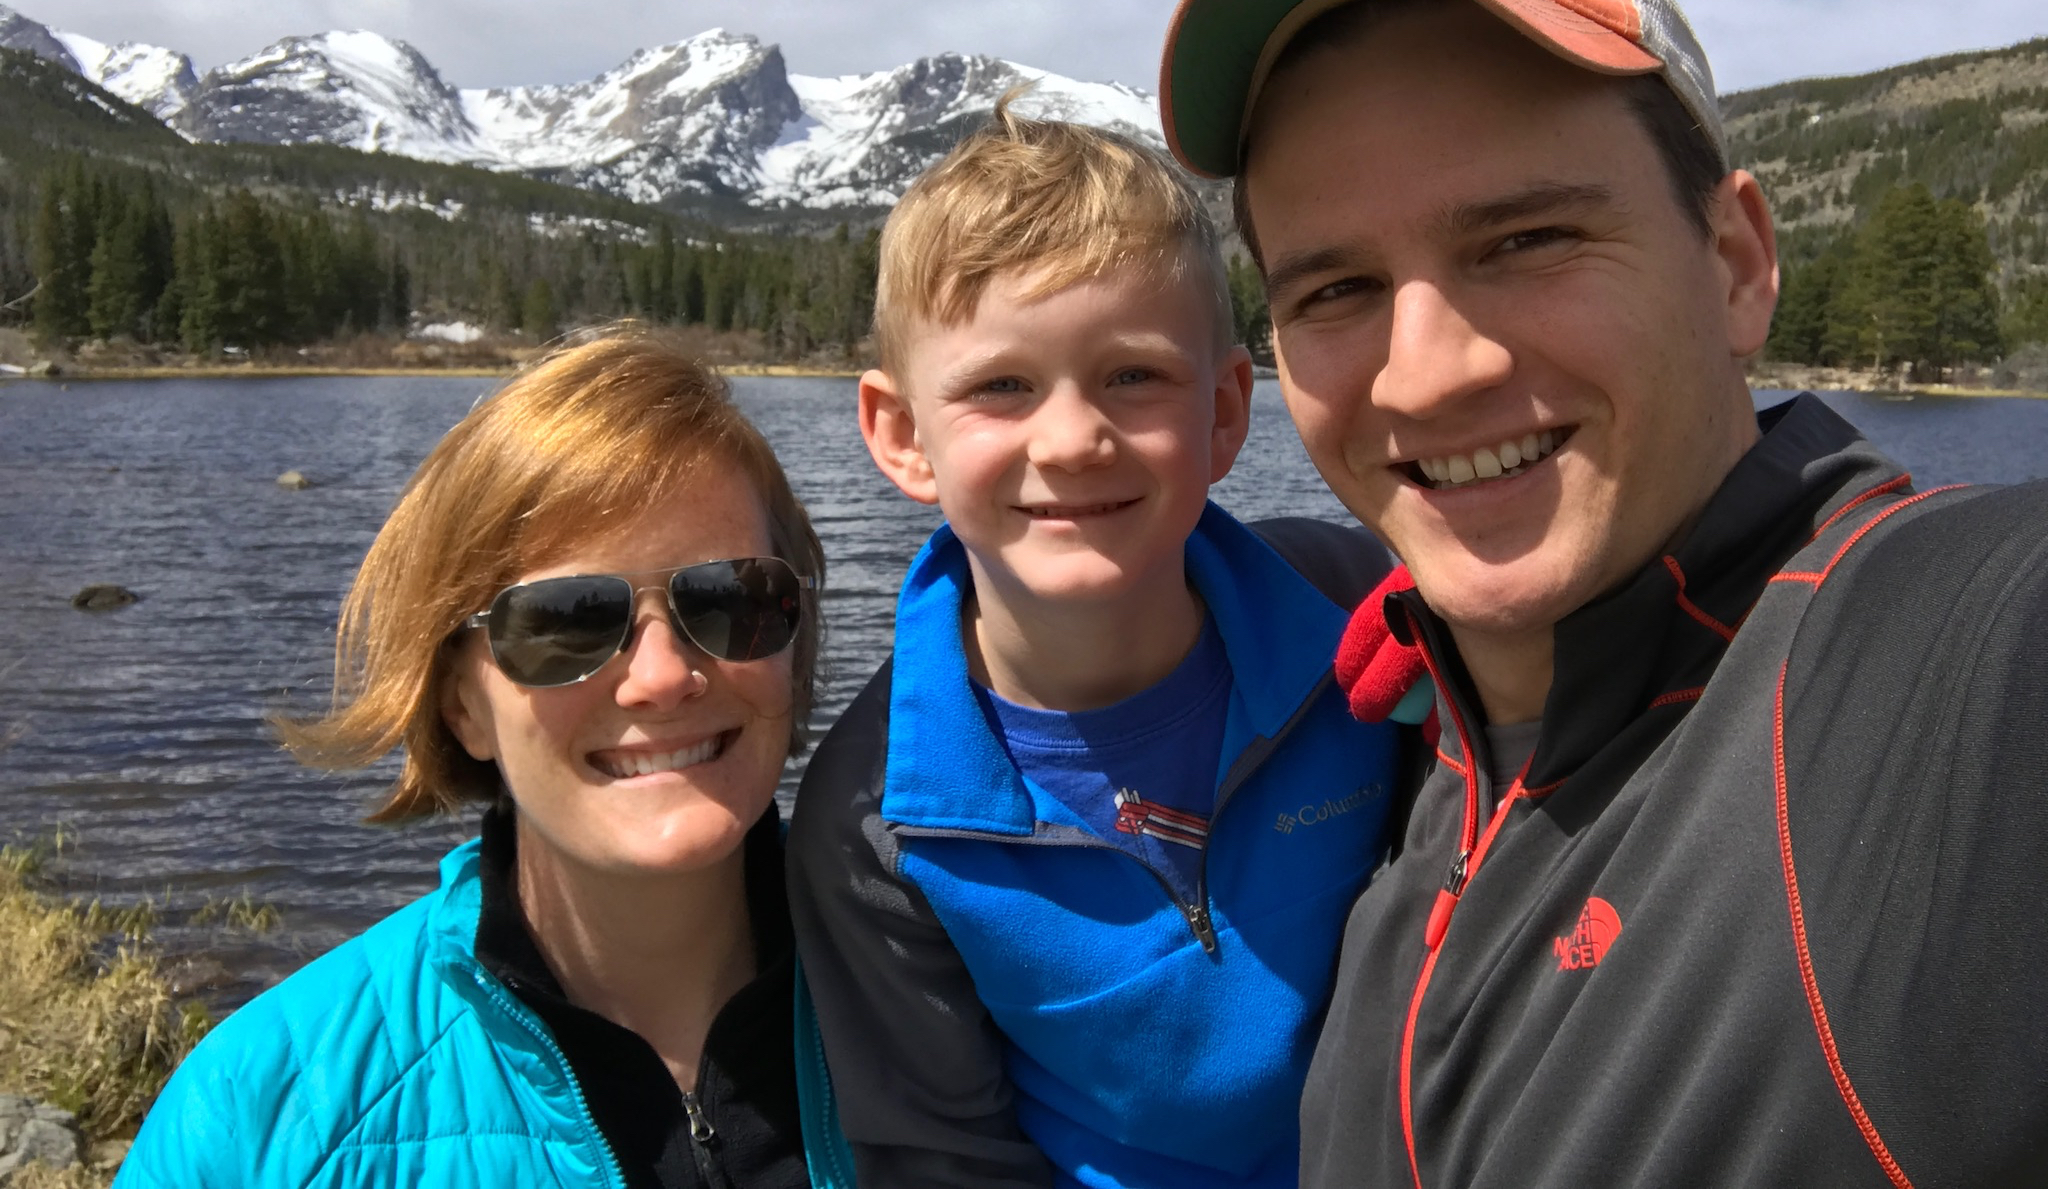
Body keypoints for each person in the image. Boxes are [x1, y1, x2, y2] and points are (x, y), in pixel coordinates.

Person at [1155, 0, 2048, 1187]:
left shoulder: (1931, 680)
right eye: (1336, 287)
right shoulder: (1396, 736)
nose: (1427, 374)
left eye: (1526, 238)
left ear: (1736, 264)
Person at [786, 103, 1423, 1189]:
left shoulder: (1354, 609)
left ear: (1225, 411)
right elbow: (946, 1162)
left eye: (1133, 375)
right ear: (902, 435)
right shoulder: (876, 818)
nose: (1074, 438)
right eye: (1001, 386)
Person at [119, 325, 855, 1189]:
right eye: (568, 620)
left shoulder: (950, 1002)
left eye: (732, 599)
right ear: (460, 703)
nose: (662, 676)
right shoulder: (260, 1124)